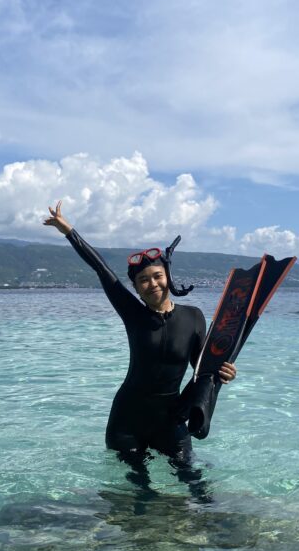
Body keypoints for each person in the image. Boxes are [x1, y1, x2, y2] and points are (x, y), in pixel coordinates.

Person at [43, 201, 236, 483]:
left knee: (195, 483)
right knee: (139, 493)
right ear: (136, 288)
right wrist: (68, 230)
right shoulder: (133, 314)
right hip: (128, 421)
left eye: (158, 276)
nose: (152, 283)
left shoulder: (193, 317)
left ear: (168, 277)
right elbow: (101, 269)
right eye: (143, 280)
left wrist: (224, 372)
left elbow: (202, 370)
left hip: (171, 420)